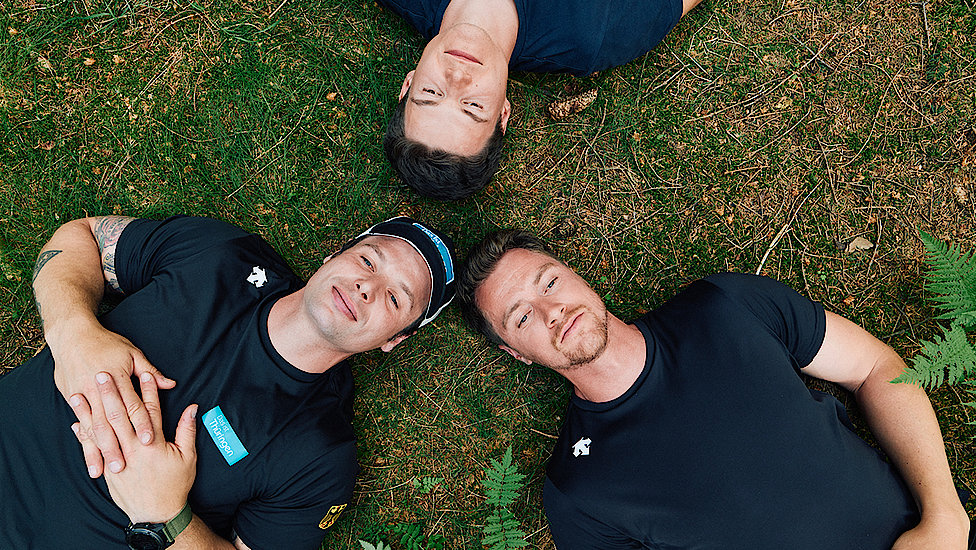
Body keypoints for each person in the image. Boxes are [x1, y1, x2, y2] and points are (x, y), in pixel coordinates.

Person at [457, 229, 975, 549]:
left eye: (549, 283)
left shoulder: (724, 306)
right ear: (516, 352)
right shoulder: (577, 492)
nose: (552, 312)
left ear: (576, 275)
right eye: (522, 317)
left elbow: (876, 368)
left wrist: (945, 519)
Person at [0, 214, 456, 550]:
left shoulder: (321, 455)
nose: (366, 288)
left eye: (395, 297)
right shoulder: (221, 253)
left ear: (394, 340)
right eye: (368, 261)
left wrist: (166, 515)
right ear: (333, 255)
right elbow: (83, 237)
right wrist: (74, 331)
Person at [379, 0, 705, 200]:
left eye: (431, 93)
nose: (458, 78)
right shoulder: (593, 36)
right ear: (503, 113)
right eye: (473, 106)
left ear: (408, 84)